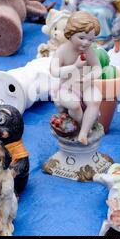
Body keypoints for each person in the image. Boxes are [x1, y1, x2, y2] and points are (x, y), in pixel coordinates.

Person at [50, 11, 102, 145]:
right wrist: (74, 66)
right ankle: (81, 127)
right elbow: (54, 71)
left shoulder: (88, 51)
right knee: (74, 104)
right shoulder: (61, 51)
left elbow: (97, 67)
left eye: (91, 40)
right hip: (66, 88)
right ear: (70, 33)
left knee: (95, 100)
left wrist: (89, 77)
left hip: (84, 85)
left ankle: (84, 132)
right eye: (82, 38)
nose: (86, 43)